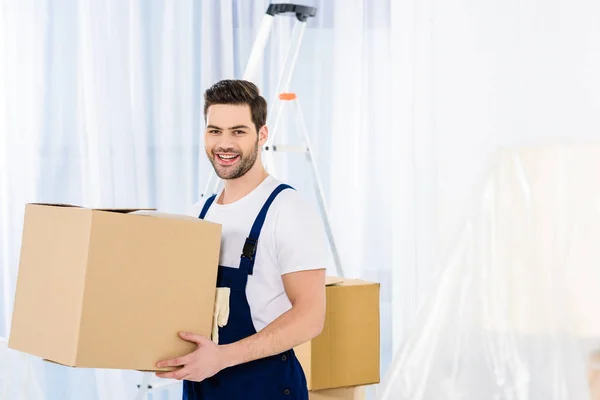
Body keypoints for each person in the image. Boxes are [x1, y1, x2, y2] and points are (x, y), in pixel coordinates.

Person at [155, 79, 328, 399]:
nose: (224, 143)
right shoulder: (198, 215)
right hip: (201, 385)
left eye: (238, 131)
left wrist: (221, 357)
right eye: (214, 130)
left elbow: (311, 317)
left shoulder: (286, 210)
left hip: (265, 386)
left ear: (262, 135)